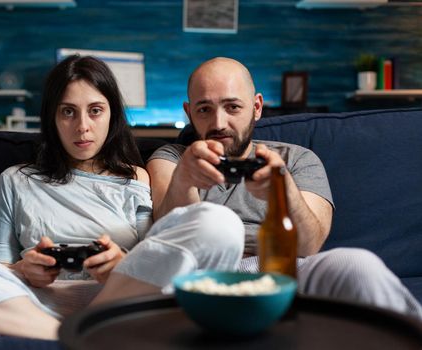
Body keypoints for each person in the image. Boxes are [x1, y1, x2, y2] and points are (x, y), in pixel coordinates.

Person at [0, 55, 245, 340]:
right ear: (52, 117)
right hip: (34, 303)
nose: (82, 127)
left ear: (112, 115)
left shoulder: (135, 177)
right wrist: (22, 269)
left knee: (219, 223)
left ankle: (80, 330)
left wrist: (120, 263)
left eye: (95, 110)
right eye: (68, 112)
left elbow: (154, 256)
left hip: (119, 298)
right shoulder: (16, 179)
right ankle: (67, 334)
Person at [147, 56, 422, 319]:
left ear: (256, 107)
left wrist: (283, 190)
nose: (219, 123)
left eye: (232, 107)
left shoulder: (297, 159)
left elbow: (309, 244)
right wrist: (184, 179)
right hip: (205, 271)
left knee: (358, 265)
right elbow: (171, 235)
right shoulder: (171, 158)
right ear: (189, 112)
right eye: (204, 109)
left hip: (287, 266)